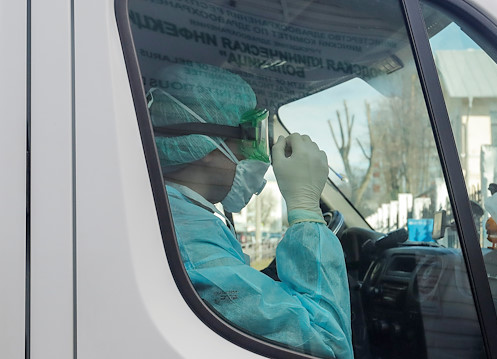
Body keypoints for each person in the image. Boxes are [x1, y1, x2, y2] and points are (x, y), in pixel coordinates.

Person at [148, 63, 353, 359]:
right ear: (205, 146)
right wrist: (306, 211)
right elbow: (326, 343)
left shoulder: (178, 216)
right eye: (248, 137)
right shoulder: (191, 245)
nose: (255, 155)